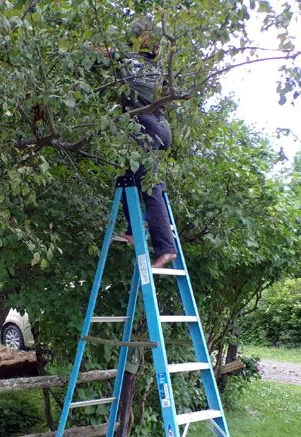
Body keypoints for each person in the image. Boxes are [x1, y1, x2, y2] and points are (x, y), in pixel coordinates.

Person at [115, 17, 177, 268]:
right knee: (127, 178)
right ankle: (132, 231)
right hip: (160, 126)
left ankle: (166, 248)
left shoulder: (129, 61)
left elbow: (97, 55)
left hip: (144, 127)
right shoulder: (156, 67)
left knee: (150, 185)